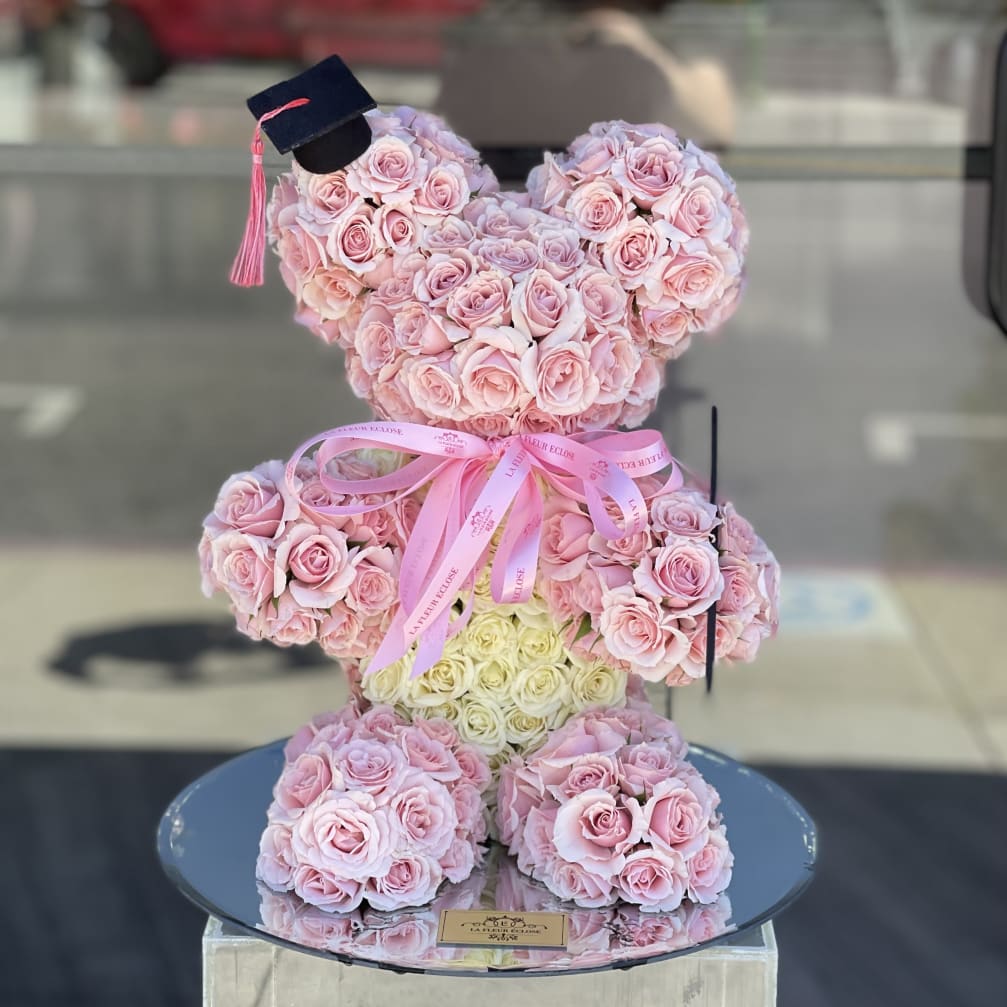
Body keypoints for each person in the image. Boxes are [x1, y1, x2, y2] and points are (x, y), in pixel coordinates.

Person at [436, 0, 736, 149]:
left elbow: (716, 125)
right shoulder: (517, 19)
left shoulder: (677, 21)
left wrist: (640, 45)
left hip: (639, 194)